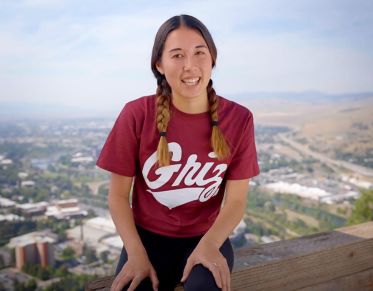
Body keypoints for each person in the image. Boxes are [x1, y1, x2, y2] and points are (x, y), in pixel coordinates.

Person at [96, 14, 260, 291]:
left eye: (199, 52)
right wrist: (135, 254)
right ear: (158, 64)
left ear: (213, 58)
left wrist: (209, 246)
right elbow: (118, 196)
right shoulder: (136, 114)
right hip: (144, 241)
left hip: (207, 238)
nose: (190, 65)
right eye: (177, 55)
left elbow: (236, 201)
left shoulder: (239, 119)